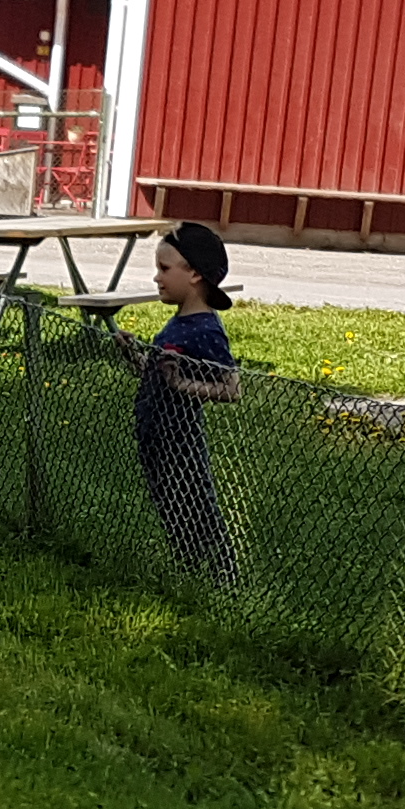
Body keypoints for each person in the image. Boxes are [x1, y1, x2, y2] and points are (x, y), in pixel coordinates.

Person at [129, 219, 240, 588]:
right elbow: (158, 373)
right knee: (170, 506)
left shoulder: (205, 329)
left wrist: (182, 385)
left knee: (194, 505)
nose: (157, 278)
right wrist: (135, 356)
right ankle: (189, 567)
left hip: (180, 439)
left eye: (164, 269)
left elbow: (231, 388)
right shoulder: (178, 322)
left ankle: (220, 574)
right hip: (156, 434)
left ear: (194, 274)